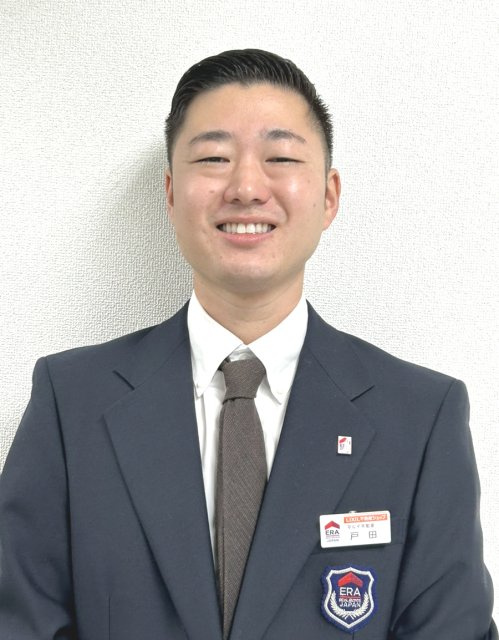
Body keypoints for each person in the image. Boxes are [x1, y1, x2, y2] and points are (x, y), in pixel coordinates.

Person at [0, 48, 496, 640]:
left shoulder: (419, 416)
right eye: (214, 158)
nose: (246, 187)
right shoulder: (71, 403)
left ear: (329, 196)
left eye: (280, 157)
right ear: (170, 193)